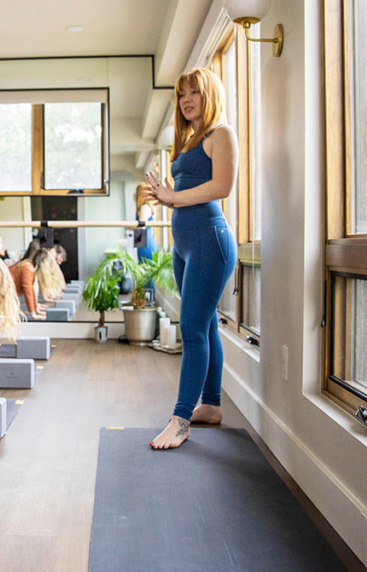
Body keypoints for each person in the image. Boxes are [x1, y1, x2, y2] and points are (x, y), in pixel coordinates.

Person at [142, 67, 238, 450]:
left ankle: (181, 420)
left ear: (209, 94)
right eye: (181, 94)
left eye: (194, 92)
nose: (186, 100)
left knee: (194, 330)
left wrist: (172, 197)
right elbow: (183, 190)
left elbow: (222, 186)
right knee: (207, 325)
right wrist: (167, 193)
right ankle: (211, 406)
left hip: (209, 242)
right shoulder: (188, 141)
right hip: (184, 245)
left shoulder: (221, 135)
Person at [9, 248, 65, 320]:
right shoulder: (27, 268)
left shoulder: (29, 266)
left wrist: (36, 309)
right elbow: (28, 291)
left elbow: (31, 291)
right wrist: (33, 313)